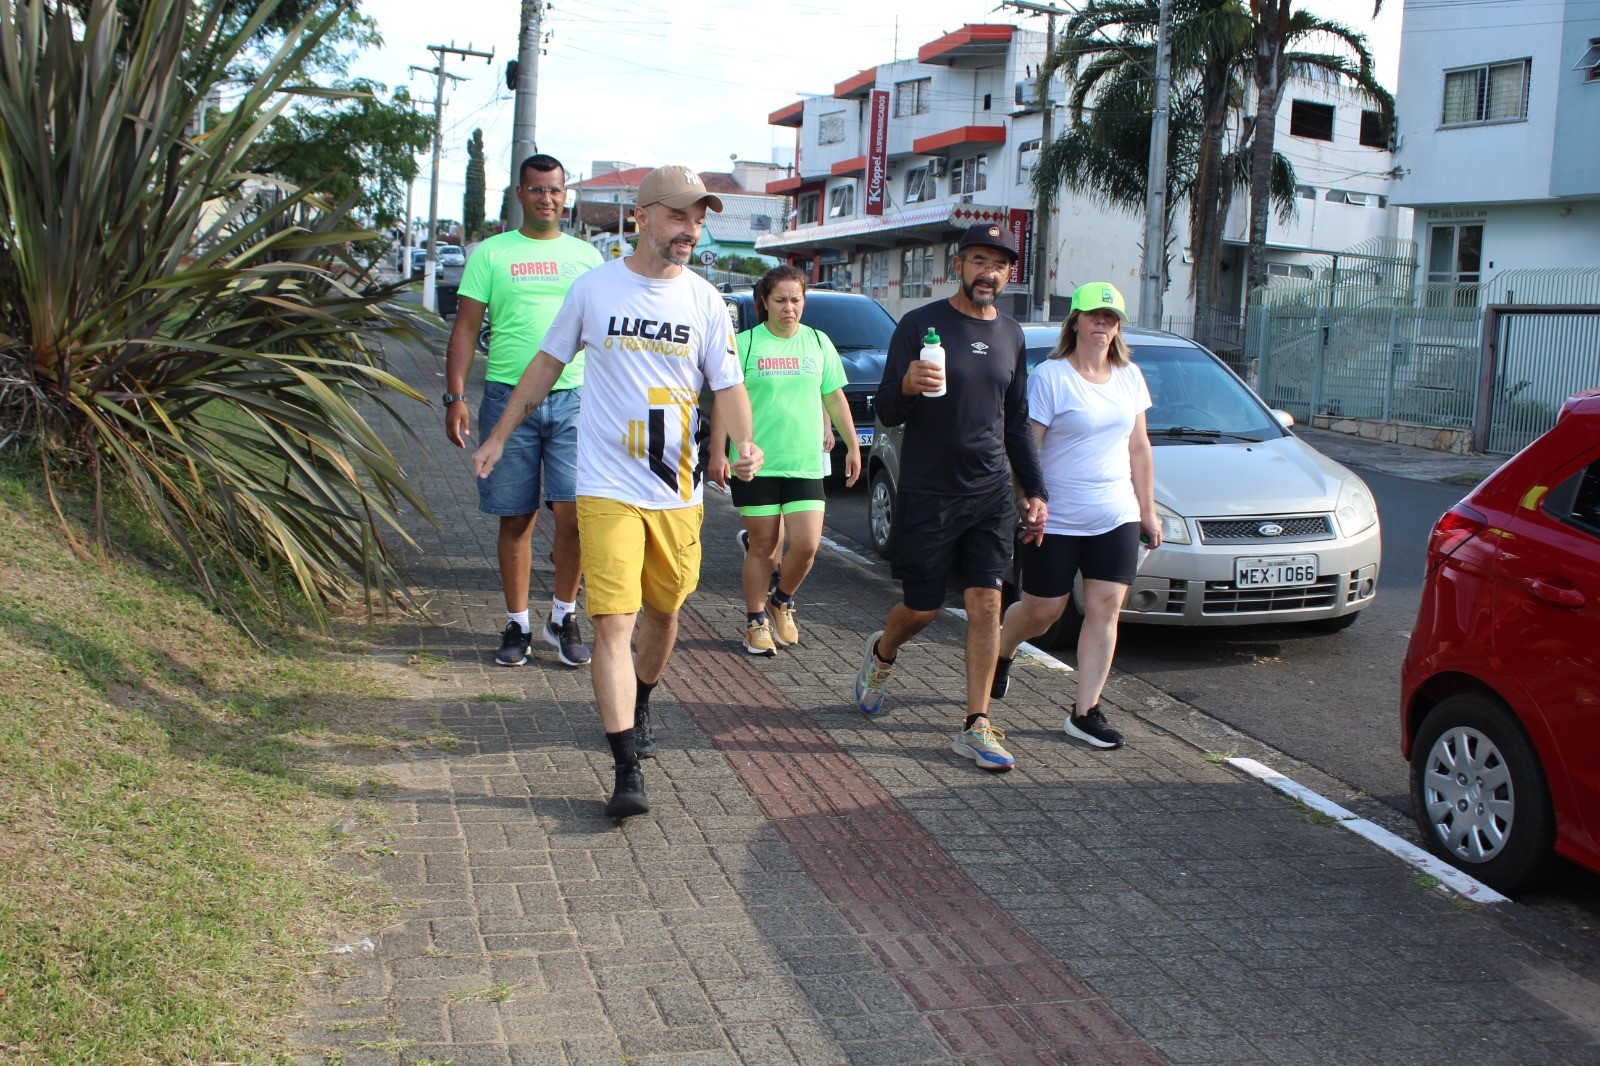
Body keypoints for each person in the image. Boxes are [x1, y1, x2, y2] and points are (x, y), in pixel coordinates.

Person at [471, 166, 762, 819]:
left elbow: (730, 388)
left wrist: (745, 445)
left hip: (677, 492)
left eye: (698, 218)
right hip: (605, 486)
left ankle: (645, 699)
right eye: (680, 216)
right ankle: (625, 765)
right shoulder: (594, 290)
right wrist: (499, 433)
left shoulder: (706, 302)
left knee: (664, 615)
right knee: (615, 623)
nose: (691, 230)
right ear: (643, 216)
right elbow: (545, 365)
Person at [852, 223, 1048, 774]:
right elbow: (887, 411)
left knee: (987, 602)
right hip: (930, 491)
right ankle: (882, 652)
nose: (990, 272)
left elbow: (1015, 424)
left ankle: (975, 724)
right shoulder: (920, 325)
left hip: (988, 493)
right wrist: (909, 386)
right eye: (980, 260)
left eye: (1000, 264)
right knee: (923, 608)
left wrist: (1035, 491)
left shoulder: (1011, 334)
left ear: (1010, 273)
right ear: (959, 265)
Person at [443, 153, 602, 670]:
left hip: (575, 399)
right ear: (519, 194)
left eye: (555, 190)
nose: (547, 199)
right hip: (506, 399)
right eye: (536, 190)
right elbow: (465, 328)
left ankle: (563, 615)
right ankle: (518, 624)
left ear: (565, 193)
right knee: (516, 518)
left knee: (573, 515)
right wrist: (456, 395)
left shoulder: (588, 257)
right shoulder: (491, 254)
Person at [989, 282, 1161, 750]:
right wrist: (1027, 500)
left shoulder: (1130, 375)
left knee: (1105, 608)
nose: (1102, 323)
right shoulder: (1052, 376)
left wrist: (1146, 510)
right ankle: (1003, 650)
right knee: (1045, 612)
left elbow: (1139, 447)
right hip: (1057, 517)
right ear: (1077, 321)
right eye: (1093, 315)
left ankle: (1085, 712)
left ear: (1118, 326)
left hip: (1116, 514)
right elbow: (1028, 447)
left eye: (1110, 317)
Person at [709, 266, 861, 655]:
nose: (789, 308)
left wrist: (853, 444)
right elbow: (724, 401)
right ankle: (755, 620)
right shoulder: (744, 344)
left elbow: (834, 397)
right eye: (780, 300)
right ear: (765, 302)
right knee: (763, 546)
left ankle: (782, 600)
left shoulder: (817, 342)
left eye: (796, 300)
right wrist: (716, 453)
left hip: (804, 462)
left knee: (808, 546)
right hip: (754, 462)